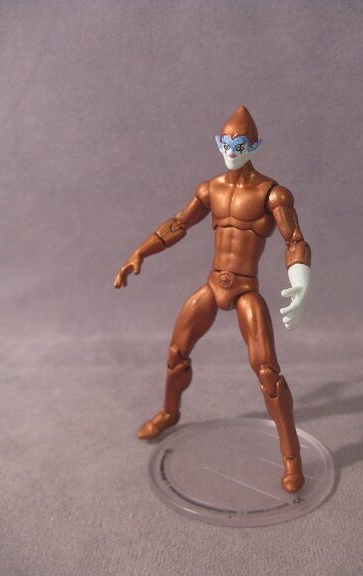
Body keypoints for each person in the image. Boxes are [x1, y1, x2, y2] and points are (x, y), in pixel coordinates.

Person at [114, 106, 311, 492]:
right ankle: (169, 412)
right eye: (226, 144)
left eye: (240, 145)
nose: (231, 151)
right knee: (176, 353)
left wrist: (300, 280)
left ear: (254, 146)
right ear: (218, 144)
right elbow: (177, 224)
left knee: (268, 374)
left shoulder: (272, 194)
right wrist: (139, 253)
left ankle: (292, 458)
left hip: (246, 291)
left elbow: (295, 241)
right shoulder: (211, 188)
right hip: (212, 285)